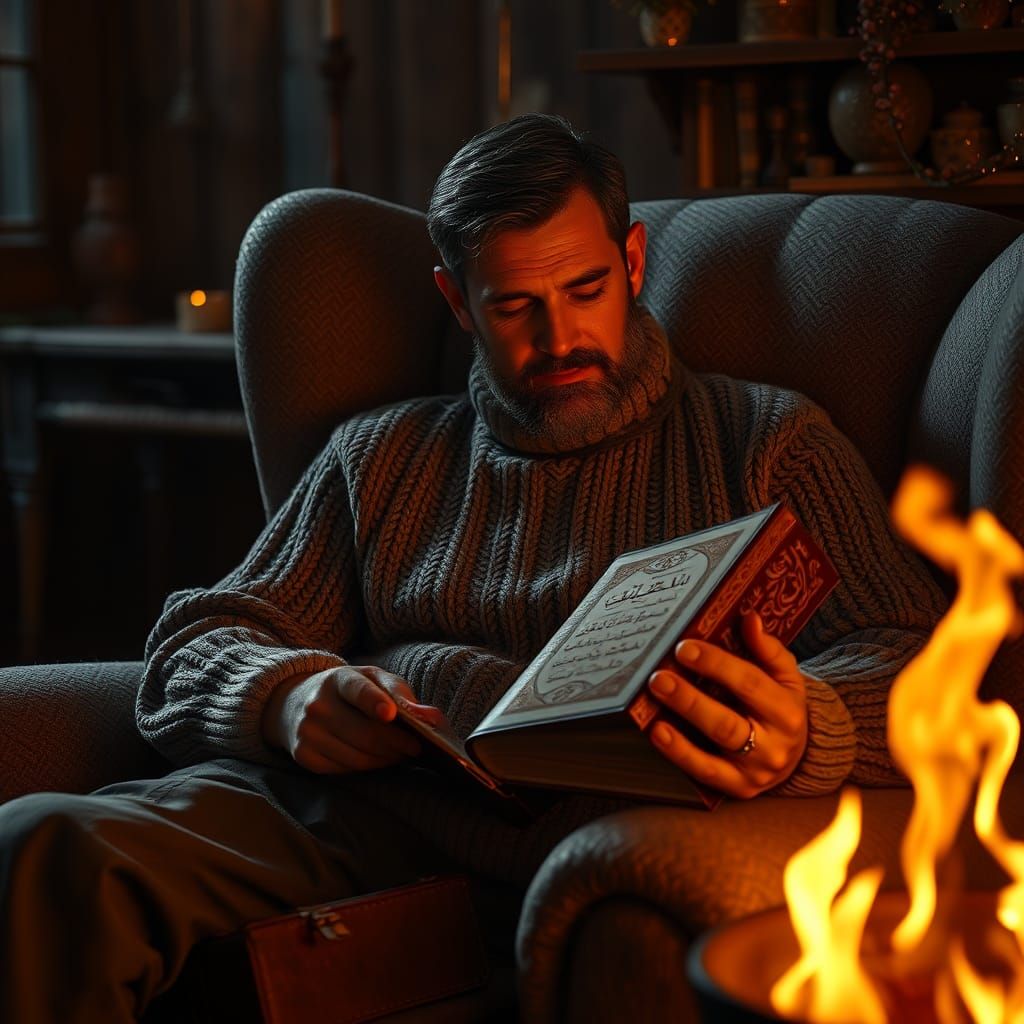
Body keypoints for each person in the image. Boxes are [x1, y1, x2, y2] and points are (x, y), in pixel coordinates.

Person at [0, 113, 945, 1022]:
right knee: (41, 844)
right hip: (351, 817)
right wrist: (283, 701)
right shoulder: (383, 457)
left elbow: (918, 656)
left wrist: (807, 729)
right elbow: (198, 640)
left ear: (633, 263)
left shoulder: (766, 446)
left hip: (601, 844)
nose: (561, 339)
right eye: (514, 306)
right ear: (457, 300)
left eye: (585, 290)